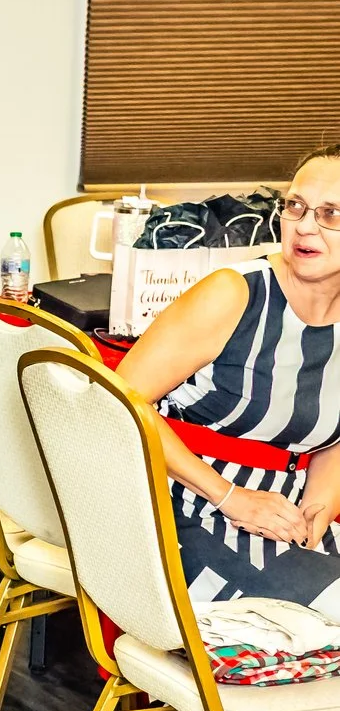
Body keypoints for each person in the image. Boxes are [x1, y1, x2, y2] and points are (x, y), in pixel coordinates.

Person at [117, 144, 340, 613]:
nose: (304, 226)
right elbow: (119, 402)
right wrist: (230, 497)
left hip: (281, 513)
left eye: (331, 213)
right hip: (182, 503)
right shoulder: (233, 294)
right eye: (296, 206)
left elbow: (334, 437)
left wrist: (317, 511)